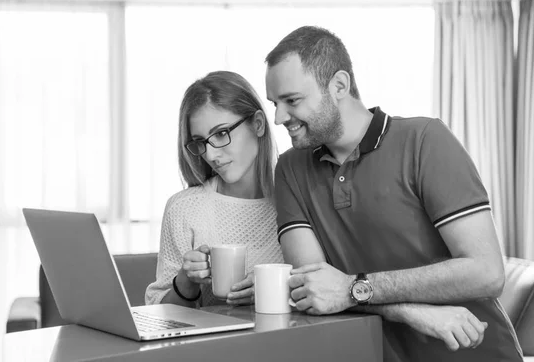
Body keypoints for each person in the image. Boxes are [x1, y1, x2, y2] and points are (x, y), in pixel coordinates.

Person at [264, 26, 523, 361]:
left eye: (292, 100)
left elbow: (487, 272)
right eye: (275, 103)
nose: (279, 117)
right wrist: (408, 309)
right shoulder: (289, 169)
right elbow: (319, 291)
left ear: (339, 85)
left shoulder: (425, 140)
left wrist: (353, 289)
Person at [145, 70, 284, 308]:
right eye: (200, 142)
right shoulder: (184, 209)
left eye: (221, 134)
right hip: (214, 345)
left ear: (258, 124)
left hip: (289, 339)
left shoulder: (298, 198)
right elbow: (159, 313)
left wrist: (276, 290)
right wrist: (186, 282)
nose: (210, 155)